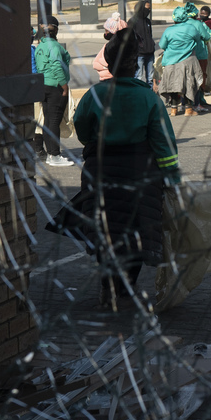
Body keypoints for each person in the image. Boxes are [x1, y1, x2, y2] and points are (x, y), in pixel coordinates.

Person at [71, 27, 180, 305]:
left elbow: (82, 130)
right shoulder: (149, 99)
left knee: (105, 233)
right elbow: (164, 144)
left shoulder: (93, 95)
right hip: (141, 177)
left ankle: (108, 287)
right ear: (134, 67)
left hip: (100, 173)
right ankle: (123, 288)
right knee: (137, 236)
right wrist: (171, 178)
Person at [34, 16, 74, 167]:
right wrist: (64, 86)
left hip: (43, 85)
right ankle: (55, 155)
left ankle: (51, 153)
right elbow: (57, 66)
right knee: (54, 122)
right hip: (56, 86)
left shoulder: (40, 47)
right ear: (56, 30)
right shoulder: (55, 47)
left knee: (48, 121)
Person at [158, 5, 209, 116]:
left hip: (170, 61)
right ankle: (188, 109)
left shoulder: (168, 30)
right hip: (188, 60)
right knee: (189, 84)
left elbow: (162, 45)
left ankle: (173, 109)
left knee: (173, 84)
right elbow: (197, 39)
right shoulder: (191, 28)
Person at [184, 2, 211, 112]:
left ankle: (186, 103)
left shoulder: (182, 23)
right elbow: (207, 37)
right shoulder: (198, 24)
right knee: (200, 77)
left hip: (185, 55)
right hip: (200, 55)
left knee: (187, 78)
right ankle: (198, 102)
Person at [92, 12, 128, 81]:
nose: (105, 34)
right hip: (107, 80)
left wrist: (105, 65)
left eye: (107, 31)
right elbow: (95, 64)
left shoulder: (126, 49)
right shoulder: (106, 46)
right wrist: (106, 66)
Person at [128, 0, 156, 87]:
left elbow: (150, 35)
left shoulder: (148, 21)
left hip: (150, 53)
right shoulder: (132, 21)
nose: (149, 10)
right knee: (138, 77)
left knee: (150, 78)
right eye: (147, 8)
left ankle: (150, 97)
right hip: (139, 54)